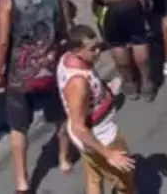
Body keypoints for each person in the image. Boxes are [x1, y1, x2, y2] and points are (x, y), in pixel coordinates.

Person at [0, 0, 75, 192]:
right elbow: (67, 27)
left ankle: (22, 178)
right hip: (51, 65)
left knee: (18, 126)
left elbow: (3, 40)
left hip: (21, 72)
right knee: (60, 116)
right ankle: (64, 159)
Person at [59, 24, 137, 194]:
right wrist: (109, 154)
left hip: (89, 140)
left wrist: (106, 91)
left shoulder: (69, 59)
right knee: (126, 184)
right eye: (92, 49)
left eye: (98, 47)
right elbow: (79, 128)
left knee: (94, 177)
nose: (98, 52)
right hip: (102, 136)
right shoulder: (79, 83)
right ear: (76, 51)